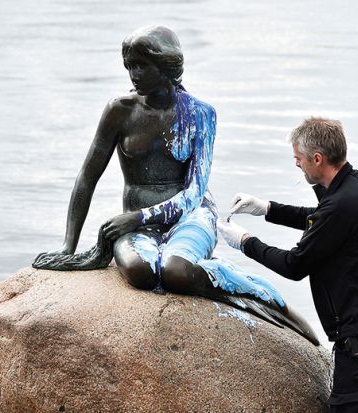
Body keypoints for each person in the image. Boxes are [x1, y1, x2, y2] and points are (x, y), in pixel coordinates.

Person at [32, 26, 319, 344]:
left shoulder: (199, 114)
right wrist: (68, 248)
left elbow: (195, 193)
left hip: (190, 216)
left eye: (142, 65)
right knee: (140, 273)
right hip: (139, 227)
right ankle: (197, 269)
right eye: (129, 65)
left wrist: (136, 217)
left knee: (175, 271)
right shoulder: (119, 111)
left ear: (166, 66)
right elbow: (86, 179)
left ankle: (250, 288)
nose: (134, 74)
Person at [217, 117, 358, 412]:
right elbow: (321, 218)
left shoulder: (343, 203)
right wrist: (267, 209)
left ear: (318, 158)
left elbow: (295, 264)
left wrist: (245, 243)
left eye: (298, 159)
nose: (297, 165)